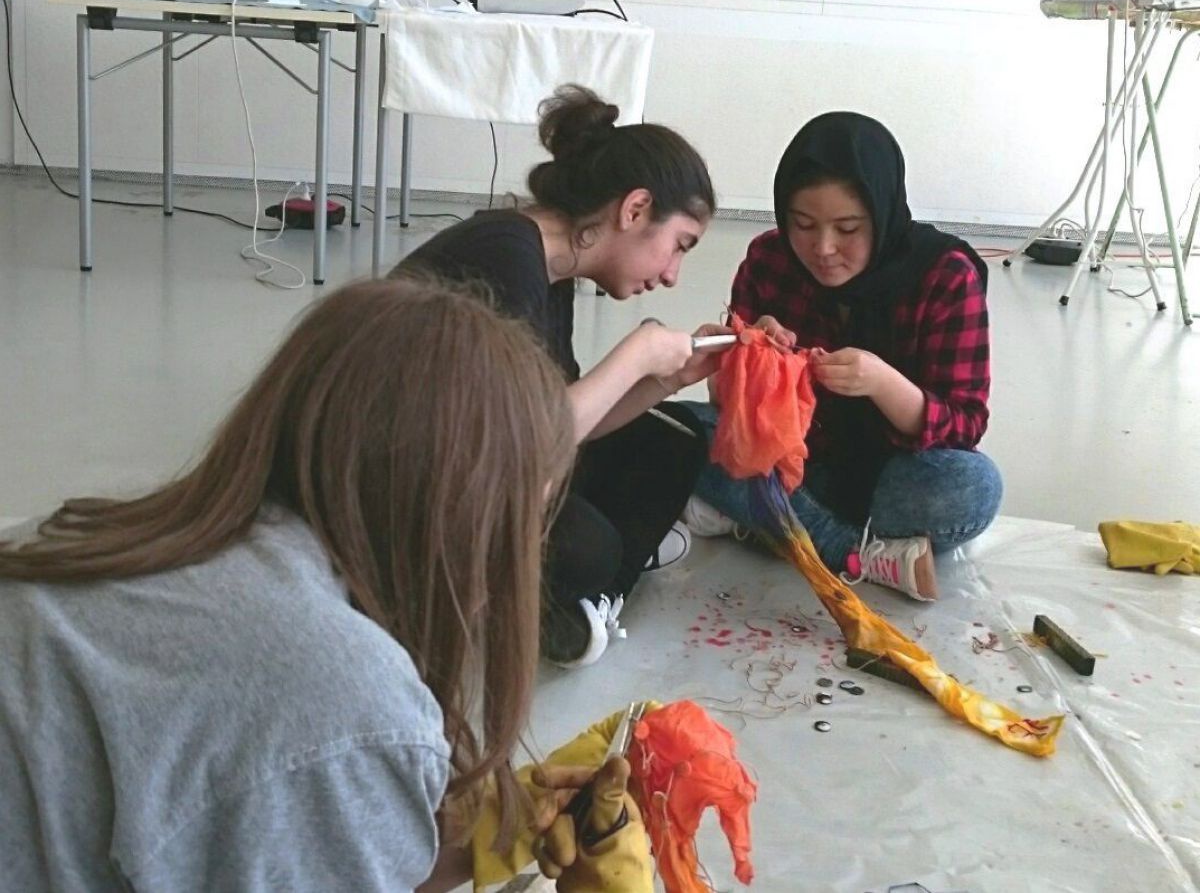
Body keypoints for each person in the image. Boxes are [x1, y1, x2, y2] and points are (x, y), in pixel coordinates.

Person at [0, 276, 639, 892]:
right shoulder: (343, 704)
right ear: (466, 518)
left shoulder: (102, 537)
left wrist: (488, 841)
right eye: (526, 517)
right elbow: (310, 758)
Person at [393, 84, 729, 666]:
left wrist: (666, 381)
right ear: (635, 210)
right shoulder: (502, 257)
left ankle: (579, 607)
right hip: (412, 485)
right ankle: (562, 591)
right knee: (588, 547)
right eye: (678, 246)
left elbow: (571, 418)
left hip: (489, 459)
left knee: (673, 440)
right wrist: (641, 352)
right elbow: (531, 439)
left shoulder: (554, 262)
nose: (673, 274)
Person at [682, 112, 1002, 601]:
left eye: (848, 228)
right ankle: (853, 551)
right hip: (793, 461)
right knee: (676, 430)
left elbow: (964, 424)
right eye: (803, 225)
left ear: (883, 212)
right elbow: (730, 410)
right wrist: (748, 358)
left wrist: (882, 383)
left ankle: (765, 521)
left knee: (970, 485)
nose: (823, 248)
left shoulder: (944, 276)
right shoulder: (770, 259)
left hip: (892, 480)